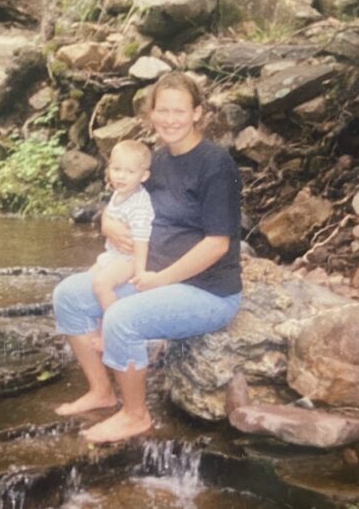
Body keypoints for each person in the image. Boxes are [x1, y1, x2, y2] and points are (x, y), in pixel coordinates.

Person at [52, 72, 243, 443]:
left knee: (122, 318)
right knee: (69, 297)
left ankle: (135, 415)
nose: (170, 119)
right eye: (163, 111)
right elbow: (123, 202)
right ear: (151, 115)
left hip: (208, 292)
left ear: (198, 113)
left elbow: (218, 244)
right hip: (151, 275)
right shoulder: (156, 161)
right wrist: (107, 223)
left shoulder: (217, 166)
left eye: (180, 111)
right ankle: (101, 391)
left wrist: (160, 279)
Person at [90, 139, 154, 312]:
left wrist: (140, 272)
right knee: (84, 281)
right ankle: (97, 324)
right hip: (112, 254)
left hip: (129, 259)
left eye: (129, 171)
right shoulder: (119, 193)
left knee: (101, 284)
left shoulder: (139, 205)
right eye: (116, 169)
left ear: (144, 176)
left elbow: (141, 240)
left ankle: (114, 321)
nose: (120, 176)